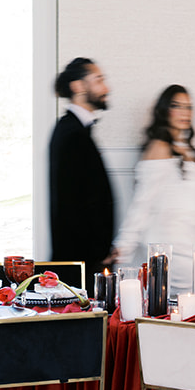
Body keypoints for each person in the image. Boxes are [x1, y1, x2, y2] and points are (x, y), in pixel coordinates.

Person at [113, 85, 195, 295]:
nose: (185, 112)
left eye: (188, 107)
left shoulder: (185, 149)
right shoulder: (159, 148)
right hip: (171, 253)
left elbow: (193, 211)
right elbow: (142, 205)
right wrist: (123, 247)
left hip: (191, 249)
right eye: (177, 106)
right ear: (164, 110)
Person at [48, 57, 116, 276]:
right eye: (98, 80)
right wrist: (98, 253)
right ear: (77, 86)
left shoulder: (76, 130)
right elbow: (71, 205)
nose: (106, 88)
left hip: (89, 259)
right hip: (81, 263)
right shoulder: (71, 134)